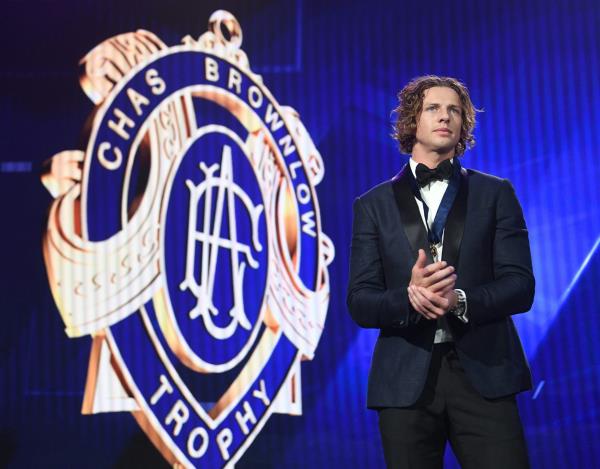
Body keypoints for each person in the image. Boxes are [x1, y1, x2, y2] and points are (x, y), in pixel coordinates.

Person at [346, 75, 534, 469]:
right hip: (404, 383)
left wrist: (460, 300)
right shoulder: (372, 204)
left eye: (454, 110)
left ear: (464, 124)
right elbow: (361, 302)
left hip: (485, 375)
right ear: (412, 120)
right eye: (433, 108)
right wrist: (409, 297)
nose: (445, 117)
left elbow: (521, 286)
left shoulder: (496, 193)